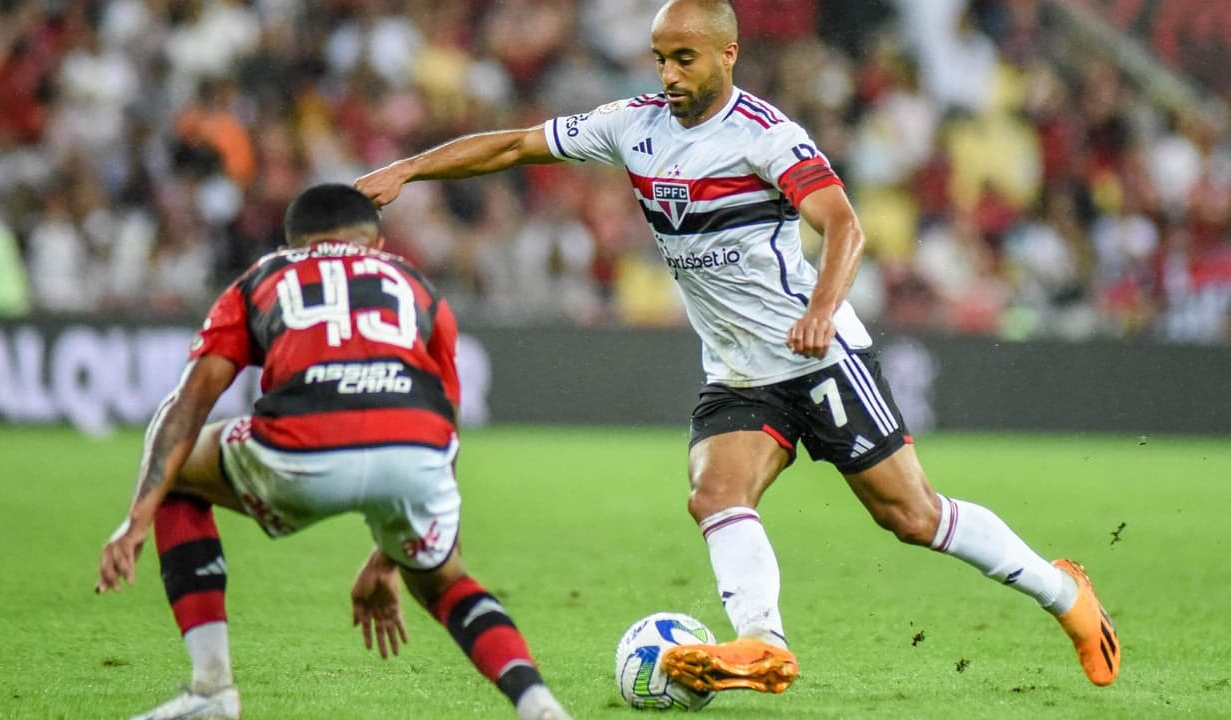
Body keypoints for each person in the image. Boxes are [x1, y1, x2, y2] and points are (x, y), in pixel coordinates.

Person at [354, 0, 1120, 697]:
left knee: (914, 518)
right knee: (714, 495)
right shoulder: (634, 124)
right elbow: (518, 145)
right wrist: (411, 168)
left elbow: (844, 224)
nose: (668, 73)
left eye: (683, 58)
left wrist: (824, 309)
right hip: (738, 371)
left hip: (819, 356)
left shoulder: (765, 135)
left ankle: (1066, 596)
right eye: (659, 58)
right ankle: (763, 643)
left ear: (727, 56)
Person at [95, 184, 573, 720]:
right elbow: (447, 424)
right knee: (444, 579)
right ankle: (540, 706)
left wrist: (137, 517)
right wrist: (395, 555)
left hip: (302, 450)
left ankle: (211, 691)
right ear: (378, 241)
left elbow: (189, 403)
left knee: (180, 473)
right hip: (414, 450)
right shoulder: (416, 286)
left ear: (294, 241)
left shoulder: (264, 277)